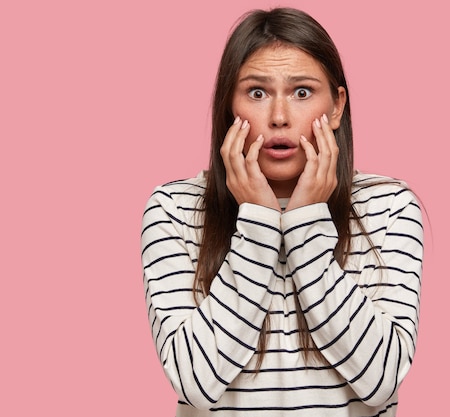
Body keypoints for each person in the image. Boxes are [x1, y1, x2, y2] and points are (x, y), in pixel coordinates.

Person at [140, 7, 423, 417]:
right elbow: (195, 382)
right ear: (227, 106)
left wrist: (306, 224)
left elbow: (381, 380)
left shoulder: (389, 208)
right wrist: (257, 223)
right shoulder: (175, 210)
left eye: (302, 92)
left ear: (337, 105)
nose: (278, 117)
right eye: (256, 93)